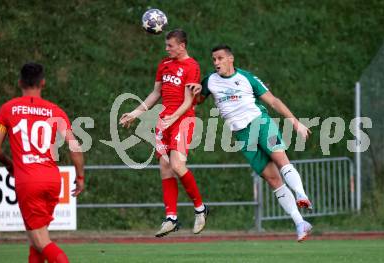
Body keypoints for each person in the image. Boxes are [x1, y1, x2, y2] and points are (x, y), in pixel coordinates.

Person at [196, 44, 313, 242]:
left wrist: (295, 123)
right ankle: (300, 223)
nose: (216, 63)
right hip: (242, 135)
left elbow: (274, 101)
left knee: (281, 160)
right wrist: (194, 90)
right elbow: (197, 100)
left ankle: (301, 195)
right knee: (273, 180)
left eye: (220, 58)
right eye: (214, 59)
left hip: (260, 123)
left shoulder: (246, 78)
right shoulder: (210, 81)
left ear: (230, 59)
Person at [0, 63, 85, 262]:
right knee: (36, 239)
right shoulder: (55, 111)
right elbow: (75, 148)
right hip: (52, 180)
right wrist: (80, 177)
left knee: (41, 241)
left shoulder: (7, 110)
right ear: (43, 83)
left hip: (29, 181)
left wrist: (10, 165)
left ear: (19, 82)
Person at [119, 29, 208, 237]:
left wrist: (174, 117)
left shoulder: (191, 66)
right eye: (166, 45)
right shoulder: (164, 64)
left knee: (177, 165)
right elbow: (156, 93)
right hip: (164, 120)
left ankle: (201, 209)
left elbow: (188, 101)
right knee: (166, 167)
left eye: (170, 45)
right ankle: (171, 218)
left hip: (182, 119)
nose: (166, 48)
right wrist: (135, 113)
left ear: (182, 45)